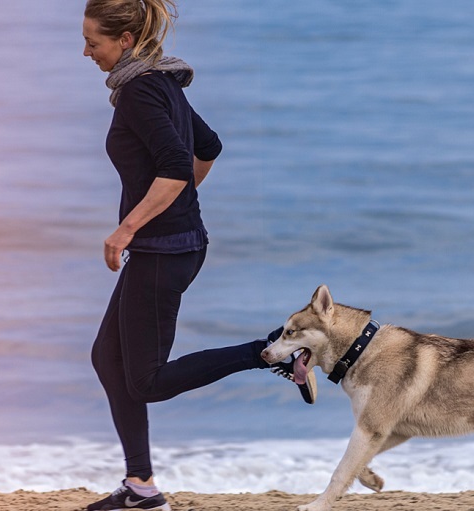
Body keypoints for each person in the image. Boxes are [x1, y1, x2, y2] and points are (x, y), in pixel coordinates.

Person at [82, 1, 316, 510]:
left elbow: (176, 168)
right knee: (108, 357)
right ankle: (140, 487)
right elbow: (206, 147)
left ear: (123, 41)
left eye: (93, 42)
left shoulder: (141, 91)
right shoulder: (157, 81)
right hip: (173, 245)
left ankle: (274, 350)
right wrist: (176, 207)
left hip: (164, 252)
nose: (86, 52)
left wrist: (125, 229)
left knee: (146, 382)